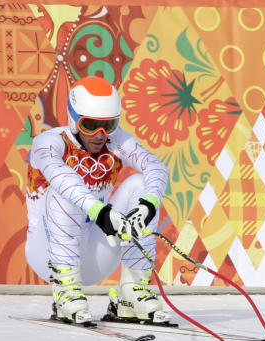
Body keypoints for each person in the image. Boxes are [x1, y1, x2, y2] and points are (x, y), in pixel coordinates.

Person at [24, 76, 170, 325]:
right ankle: (66, 292)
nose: (100, 135)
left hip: (95, 252)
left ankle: (130, 294)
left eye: (109, 125)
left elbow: (155, 167)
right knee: (63, 189)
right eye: (90, 125)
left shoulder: (116, 141)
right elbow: (61, 177)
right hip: (46, 253)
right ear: (73, 118)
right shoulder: (48, 142)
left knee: (142, 185)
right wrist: (101, 212)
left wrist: (147, 205)